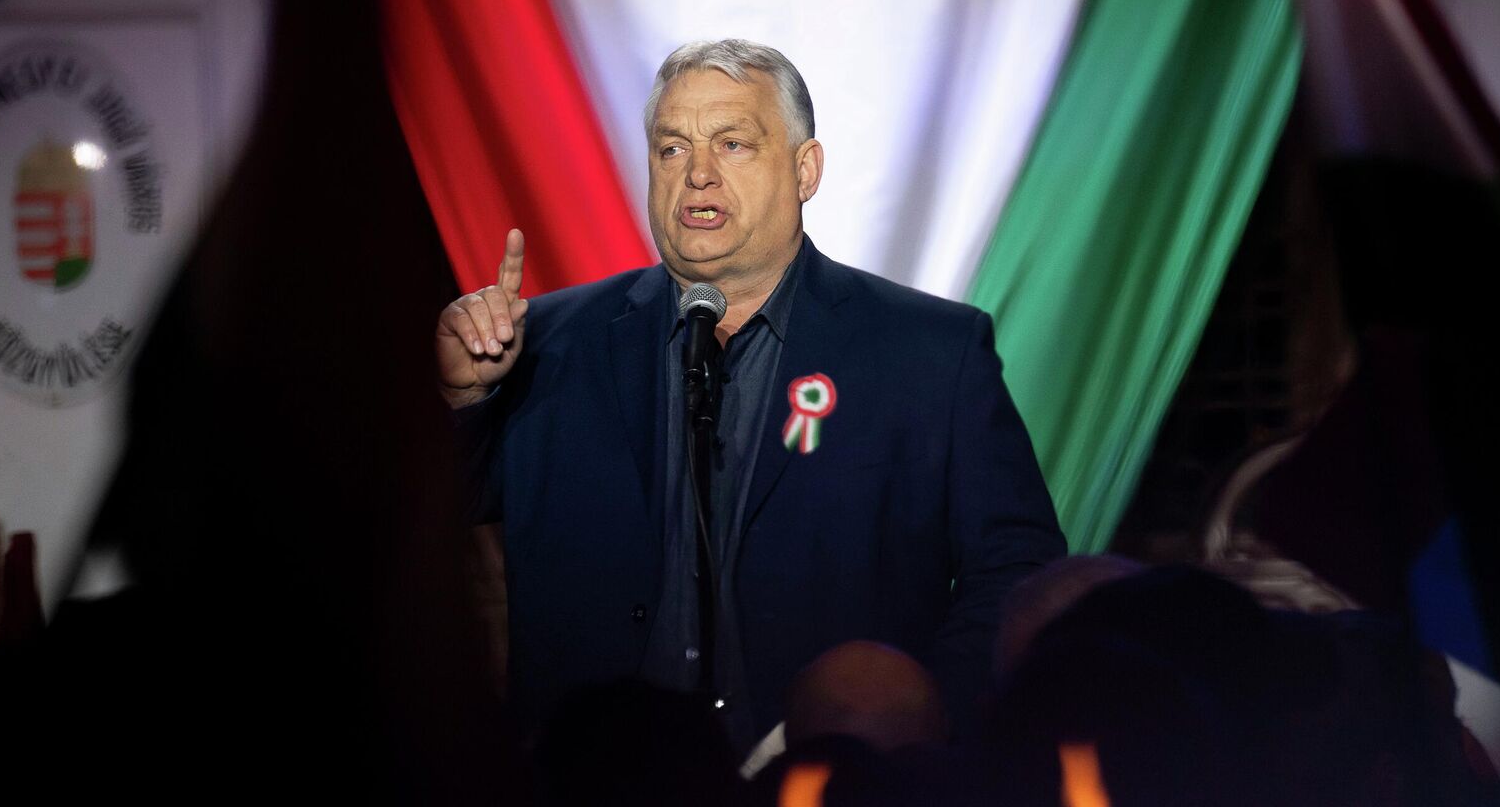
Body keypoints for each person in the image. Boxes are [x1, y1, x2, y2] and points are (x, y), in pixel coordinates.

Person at [438, 39, 1064, 749]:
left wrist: (912, 717)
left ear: (805, 170)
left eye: (732, 144)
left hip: (836, 774)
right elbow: (421, 528)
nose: (698, 173)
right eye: (672, 148)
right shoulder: (547, 343)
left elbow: (1018, 572)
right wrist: (463, 403)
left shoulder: (932, 354)